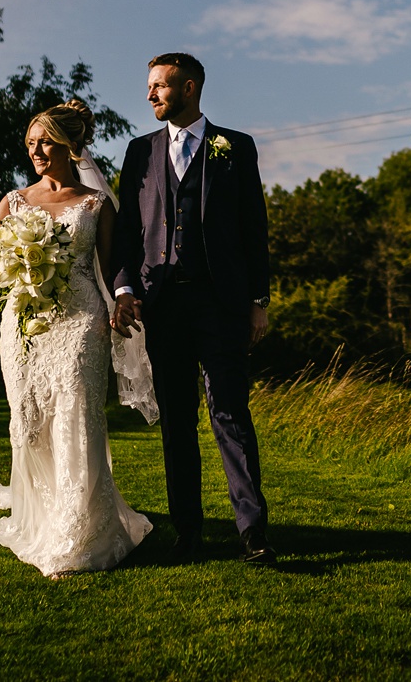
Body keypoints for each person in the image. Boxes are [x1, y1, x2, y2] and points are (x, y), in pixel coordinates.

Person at [0, 99, 154, 578]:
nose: (36, 151)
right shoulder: (13, 200)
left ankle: (80, 528)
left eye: (45, 142)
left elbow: (110, 263)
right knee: (31, 417)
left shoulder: (96, 204)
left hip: (81, 318)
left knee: (77, 414)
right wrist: (16, 265)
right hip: (24, 322)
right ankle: (41, 512)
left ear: (70, 146)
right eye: (31, 143)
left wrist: (122, 298)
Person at [110, 53, 276, 566]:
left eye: (159, 86)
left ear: (189, 87)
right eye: (150, 86)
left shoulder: (235, 147)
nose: (150, 95)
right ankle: (188, 531)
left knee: (230, 413)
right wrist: (122, 289)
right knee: (177, 420)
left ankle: (253, 533)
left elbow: (254, 227)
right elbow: (128, 236)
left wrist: (258, 300)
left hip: (222, 302)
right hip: (163, 304)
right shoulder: (139, 152)